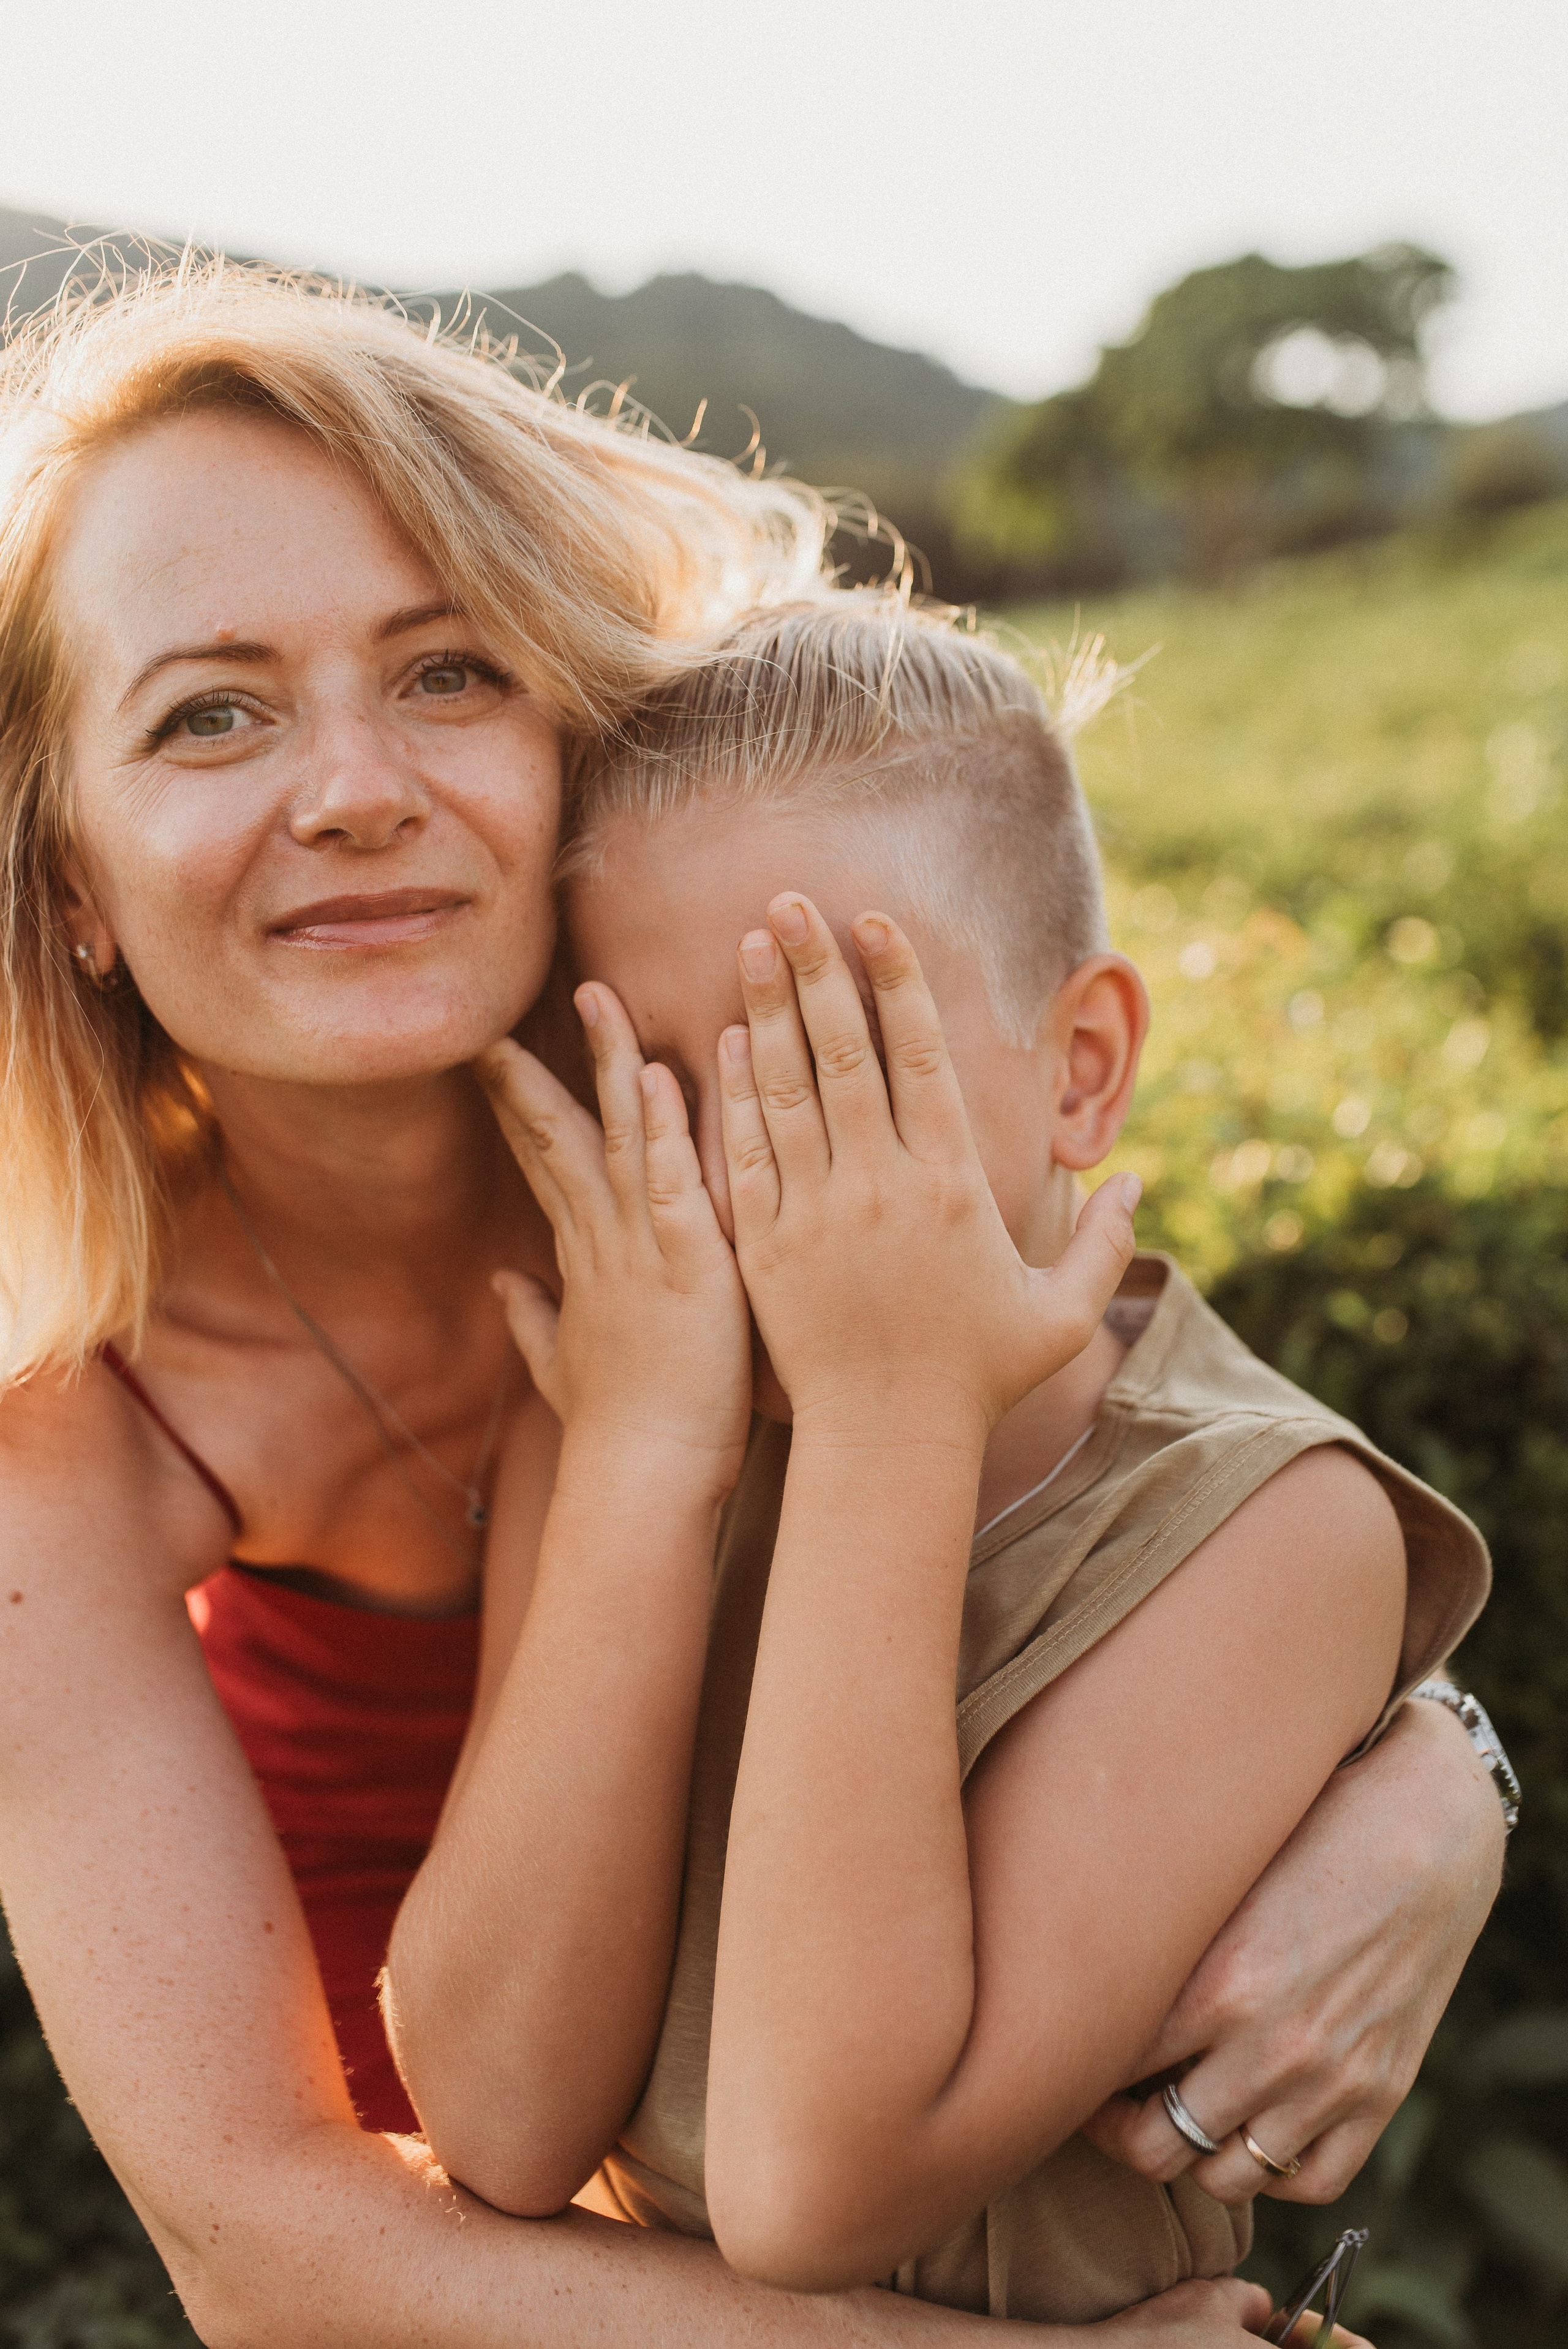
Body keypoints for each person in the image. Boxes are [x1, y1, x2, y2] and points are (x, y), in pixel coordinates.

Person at [0, 262, 1499, 2349]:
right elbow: (278, 2242)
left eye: (446, 673)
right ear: (66, 868)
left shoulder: (771, 1140)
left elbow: (1144, 1483)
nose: (352, 786)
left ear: (572, 730)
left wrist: (1433, 1754)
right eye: (209, 712)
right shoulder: (79, 1430)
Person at [386, 598, 1503, 2328]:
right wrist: (640, 1463)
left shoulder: (1279, 1528)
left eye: (830, 1069)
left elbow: (812, 2178)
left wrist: (888, 1416)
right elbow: (502, 2115)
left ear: (1082, 1069)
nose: (753, 1183)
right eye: (660, 1093)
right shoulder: (630, 1404)